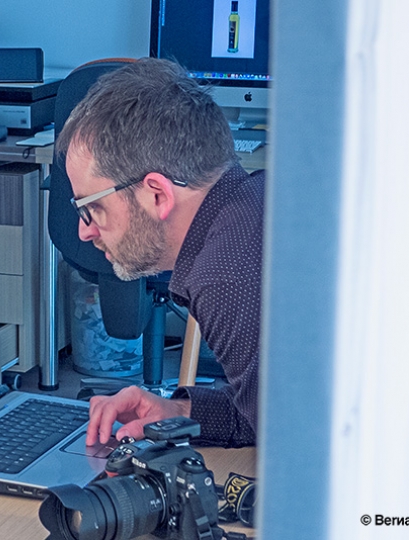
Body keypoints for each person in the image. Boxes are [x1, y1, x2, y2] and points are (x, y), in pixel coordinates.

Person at [59, 58, 263, 448]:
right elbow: (271, 414)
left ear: (156, 195)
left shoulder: (224, 278)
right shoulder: (258, 200)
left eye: (92, 207)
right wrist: (177, 412)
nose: (85, 231)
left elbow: (301, 451)